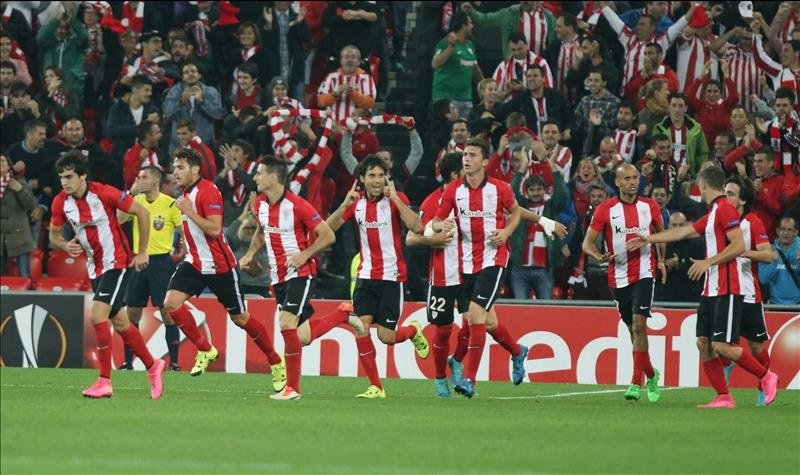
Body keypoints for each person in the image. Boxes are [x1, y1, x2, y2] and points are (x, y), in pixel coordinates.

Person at [627, 166, 779, 408]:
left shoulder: (726, 209)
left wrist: (708, 262)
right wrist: (649, 238)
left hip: (728, 287)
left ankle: (767, 376)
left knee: (723, 346)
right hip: (711, 288)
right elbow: (685, 231)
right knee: (704, 343)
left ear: (703, 184)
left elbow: (739, 246)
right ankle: (723, 396)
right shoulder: (715, 211)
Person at [161, 147, 286, 392]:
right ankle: (206, 349)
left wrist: (188, 211)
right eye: (174, 167)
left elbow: (215, 229)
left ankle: (275, 361)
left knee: (240, 319)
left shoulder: (208, 191)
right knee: (170, 304)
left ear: (195, 169)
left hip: (220, 267)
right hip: (195, 263)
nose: (175, 172)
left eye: (180, 167)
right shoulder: (186, 193)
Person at [429, 138, 545, 398]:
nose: (466, 159)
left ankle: (469, 379)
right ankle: (517, 351)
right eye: (465, 155)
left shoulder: (500, 189)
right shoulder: (453, 191)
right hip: (466, 261)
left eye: (472, 155)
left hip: (494, 258)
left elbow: (515, 213)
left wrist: (506, 231)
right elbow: (436, 221)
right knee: (488, 320)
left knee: (475, 314)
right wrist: (440, 227)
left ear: (484, 161)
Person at [239, 157, 363, 400]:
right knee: (302, 337)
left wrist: (303, 255)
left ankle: (292, 389)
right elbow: (261, 233)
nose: (255, 178)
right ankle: (343, 315)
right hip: (279, 278)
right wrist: (250, 253)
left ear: (273, 178)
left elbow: (327, 236)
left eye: (260, 173)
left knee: (285, 323)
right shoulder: (261, 205)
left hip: (301, 273)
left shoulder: (298, 206)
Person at [48, 151, 165, 399]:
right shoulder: (61, 201)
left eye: (69, 176)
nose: (64, 182)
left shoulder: (105, 193)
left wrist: (142, 251)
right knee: (120, 322)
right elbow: (53, 235)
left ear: (82, 176)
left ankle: (104, 381)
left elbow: (142, 213)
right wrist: (63, 245)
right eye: (61, 177)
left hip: (117, 262)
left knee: (97, 314)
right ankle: (153, 365)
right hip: (95, 268)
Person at [325, 154, 428, 399]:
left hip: (392, 278)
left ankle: (413, 331)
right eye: (371, 175)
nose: (377, 180)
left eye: (381, 176)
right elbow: (327, 229)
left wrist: (397, 201)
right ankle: (376, 387)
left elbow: (418, 227)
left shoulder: (396, 199)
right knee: (361, 327)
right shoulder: (356, 203)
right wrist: (343, 204)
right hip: (366, 276)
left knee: (386, 337)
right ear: (362, 179)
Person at [582, 164, 665, 403]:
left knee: (639, 326)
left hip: (644, 272)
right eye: (627, 178)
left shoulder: (649, 206)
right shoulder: (605, 209)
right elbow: (587, 243)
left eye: (635, 177)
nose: (633, 182)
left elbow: (661, 234)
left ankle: (634, 383)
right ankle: (651, 373)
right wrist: (600, 256)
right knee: (632, 330)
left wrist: (660, 262)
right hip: (617, 276)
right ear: (617, 182)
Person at [118, 167, 185, 372]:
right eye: (137, 176)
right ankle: (128, 363)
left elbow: (183, 229)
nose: (139, 179)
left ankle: (174, 363)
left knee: (167, 312)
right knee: (132, 313)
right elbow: (119, 219)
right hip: (138, 260)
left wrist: (183, 251)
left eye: (143, 177)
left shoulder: (170, 204)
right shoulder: (135, 201)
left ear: (155, 181)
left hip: (161, 263)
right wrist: (131, 192)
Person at [723, 175, 777, 406]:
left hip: (747, 292)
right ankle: (723, 391)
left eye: (730, 194)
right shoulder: (720, 219)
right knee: (722, 344)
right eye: (724, 193)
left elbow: (768, 254)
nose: (725, 198)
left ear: (742, 200)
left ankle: (763, 388)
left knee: (756, 346)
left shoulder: (752, 222)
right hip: (723, 290)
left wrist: (742, 252)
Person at [431, 11, 481, 119]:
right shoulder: (445, 43)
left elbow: (475, 69)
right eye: (470, 23)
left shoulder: (470, 45)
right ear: (463, 26)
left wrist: (484, 86)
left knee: (465, 133)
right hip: (446, 99)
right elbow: (435, 64)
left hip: (466, 99)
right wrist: (451, 47)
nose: (472, 26)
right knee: (446, 133)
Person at [317, 45, 376, 122]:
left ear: (359, 62)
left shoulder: (366, 78)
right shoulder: (331, 77)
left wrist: (353, 94)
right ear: (341, 61)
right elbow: (320, 102)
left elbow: (370, 103)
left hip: (358, 124)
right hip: (334, 124)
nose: (349, 60)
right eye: (346, 57)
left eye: (353, 57)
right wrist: (335, 94)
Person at [0, 153, 36, 277]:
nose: (0, 164)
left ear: (9, 166)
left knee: (24, 275)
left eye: (3, 161)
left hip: (19, 235)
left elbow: (32, 205)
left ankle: (27, 297)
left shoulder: (19, 181)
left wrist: (19, 190)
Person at [759, 216, 800, 305]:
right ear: (777, 231)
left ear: (796, 232)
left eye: (790, 230)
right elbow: (763, 279)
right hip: (775, 305)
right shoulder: (768, 251)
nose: (786, 233)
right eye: (783, 229)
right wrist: (774, 262)